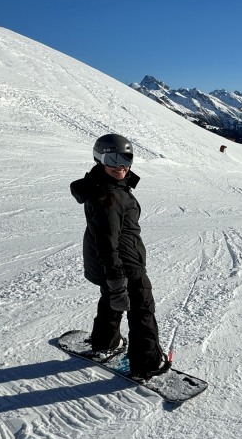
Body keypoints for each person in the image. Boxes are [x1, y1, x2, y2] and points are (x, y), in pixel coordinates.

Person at [70, 133, 168, 379]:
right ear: (99, 159)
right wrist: (116, 278)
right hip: (124, 263)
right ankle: (147, 364)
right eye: (112, 159)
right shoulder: (108, 196)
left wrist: (112, 282)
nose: (121, 165)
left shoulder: (108, 186)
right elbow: (106, 242)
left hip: (113, 263)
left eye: (126, 158)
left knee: (112, 300)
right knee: (141, 308)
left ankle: (106, 342)